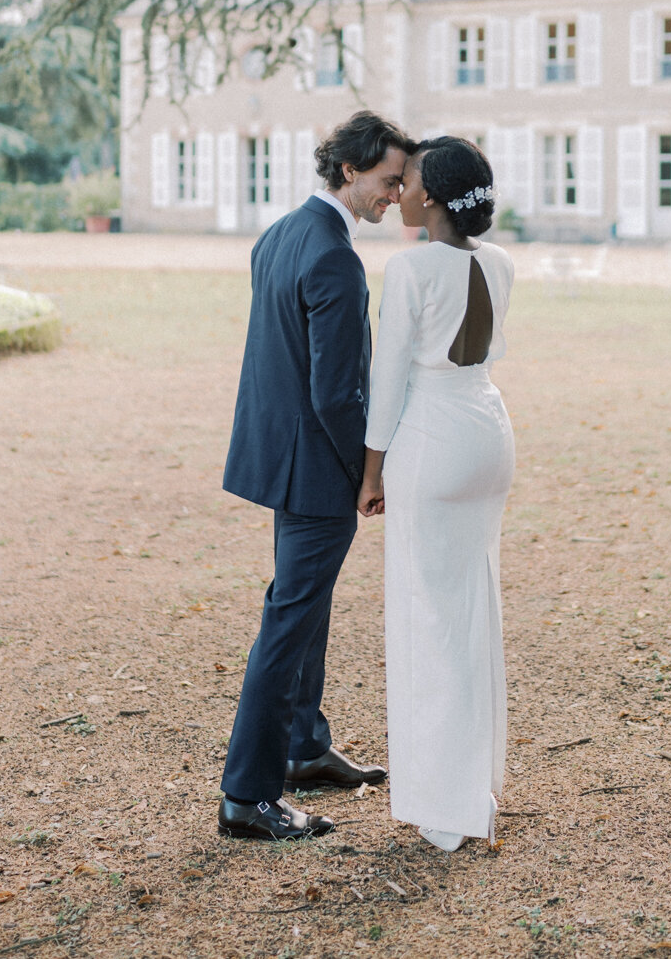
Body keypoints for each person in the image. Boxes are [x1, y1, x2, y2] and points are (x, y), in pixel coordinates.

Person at [218, 111, 415, 841]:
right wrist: (368, 470)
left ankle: (303, 747)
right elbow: (338, 392)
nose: (396, 195)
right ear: (349, 173)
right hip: (316, 470)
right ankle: (248, 795)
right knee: (289, 621)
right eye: (389, 181)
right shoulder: (334, 256)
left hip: (279, 456)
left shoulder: (280, 233)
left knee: (306, 608)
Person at [358, 137, 515, 852]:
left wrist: (369, 472)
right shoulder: (501, 263)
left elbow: (390, 378)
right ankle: (473, 785)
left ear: (432, 198)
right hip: (488, 433)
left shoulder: (413, 267)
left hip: (433, 441)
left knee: (428, 624)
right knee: (474, 607)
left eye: (411, 180)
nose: (401, 189)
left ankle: (444, 807)